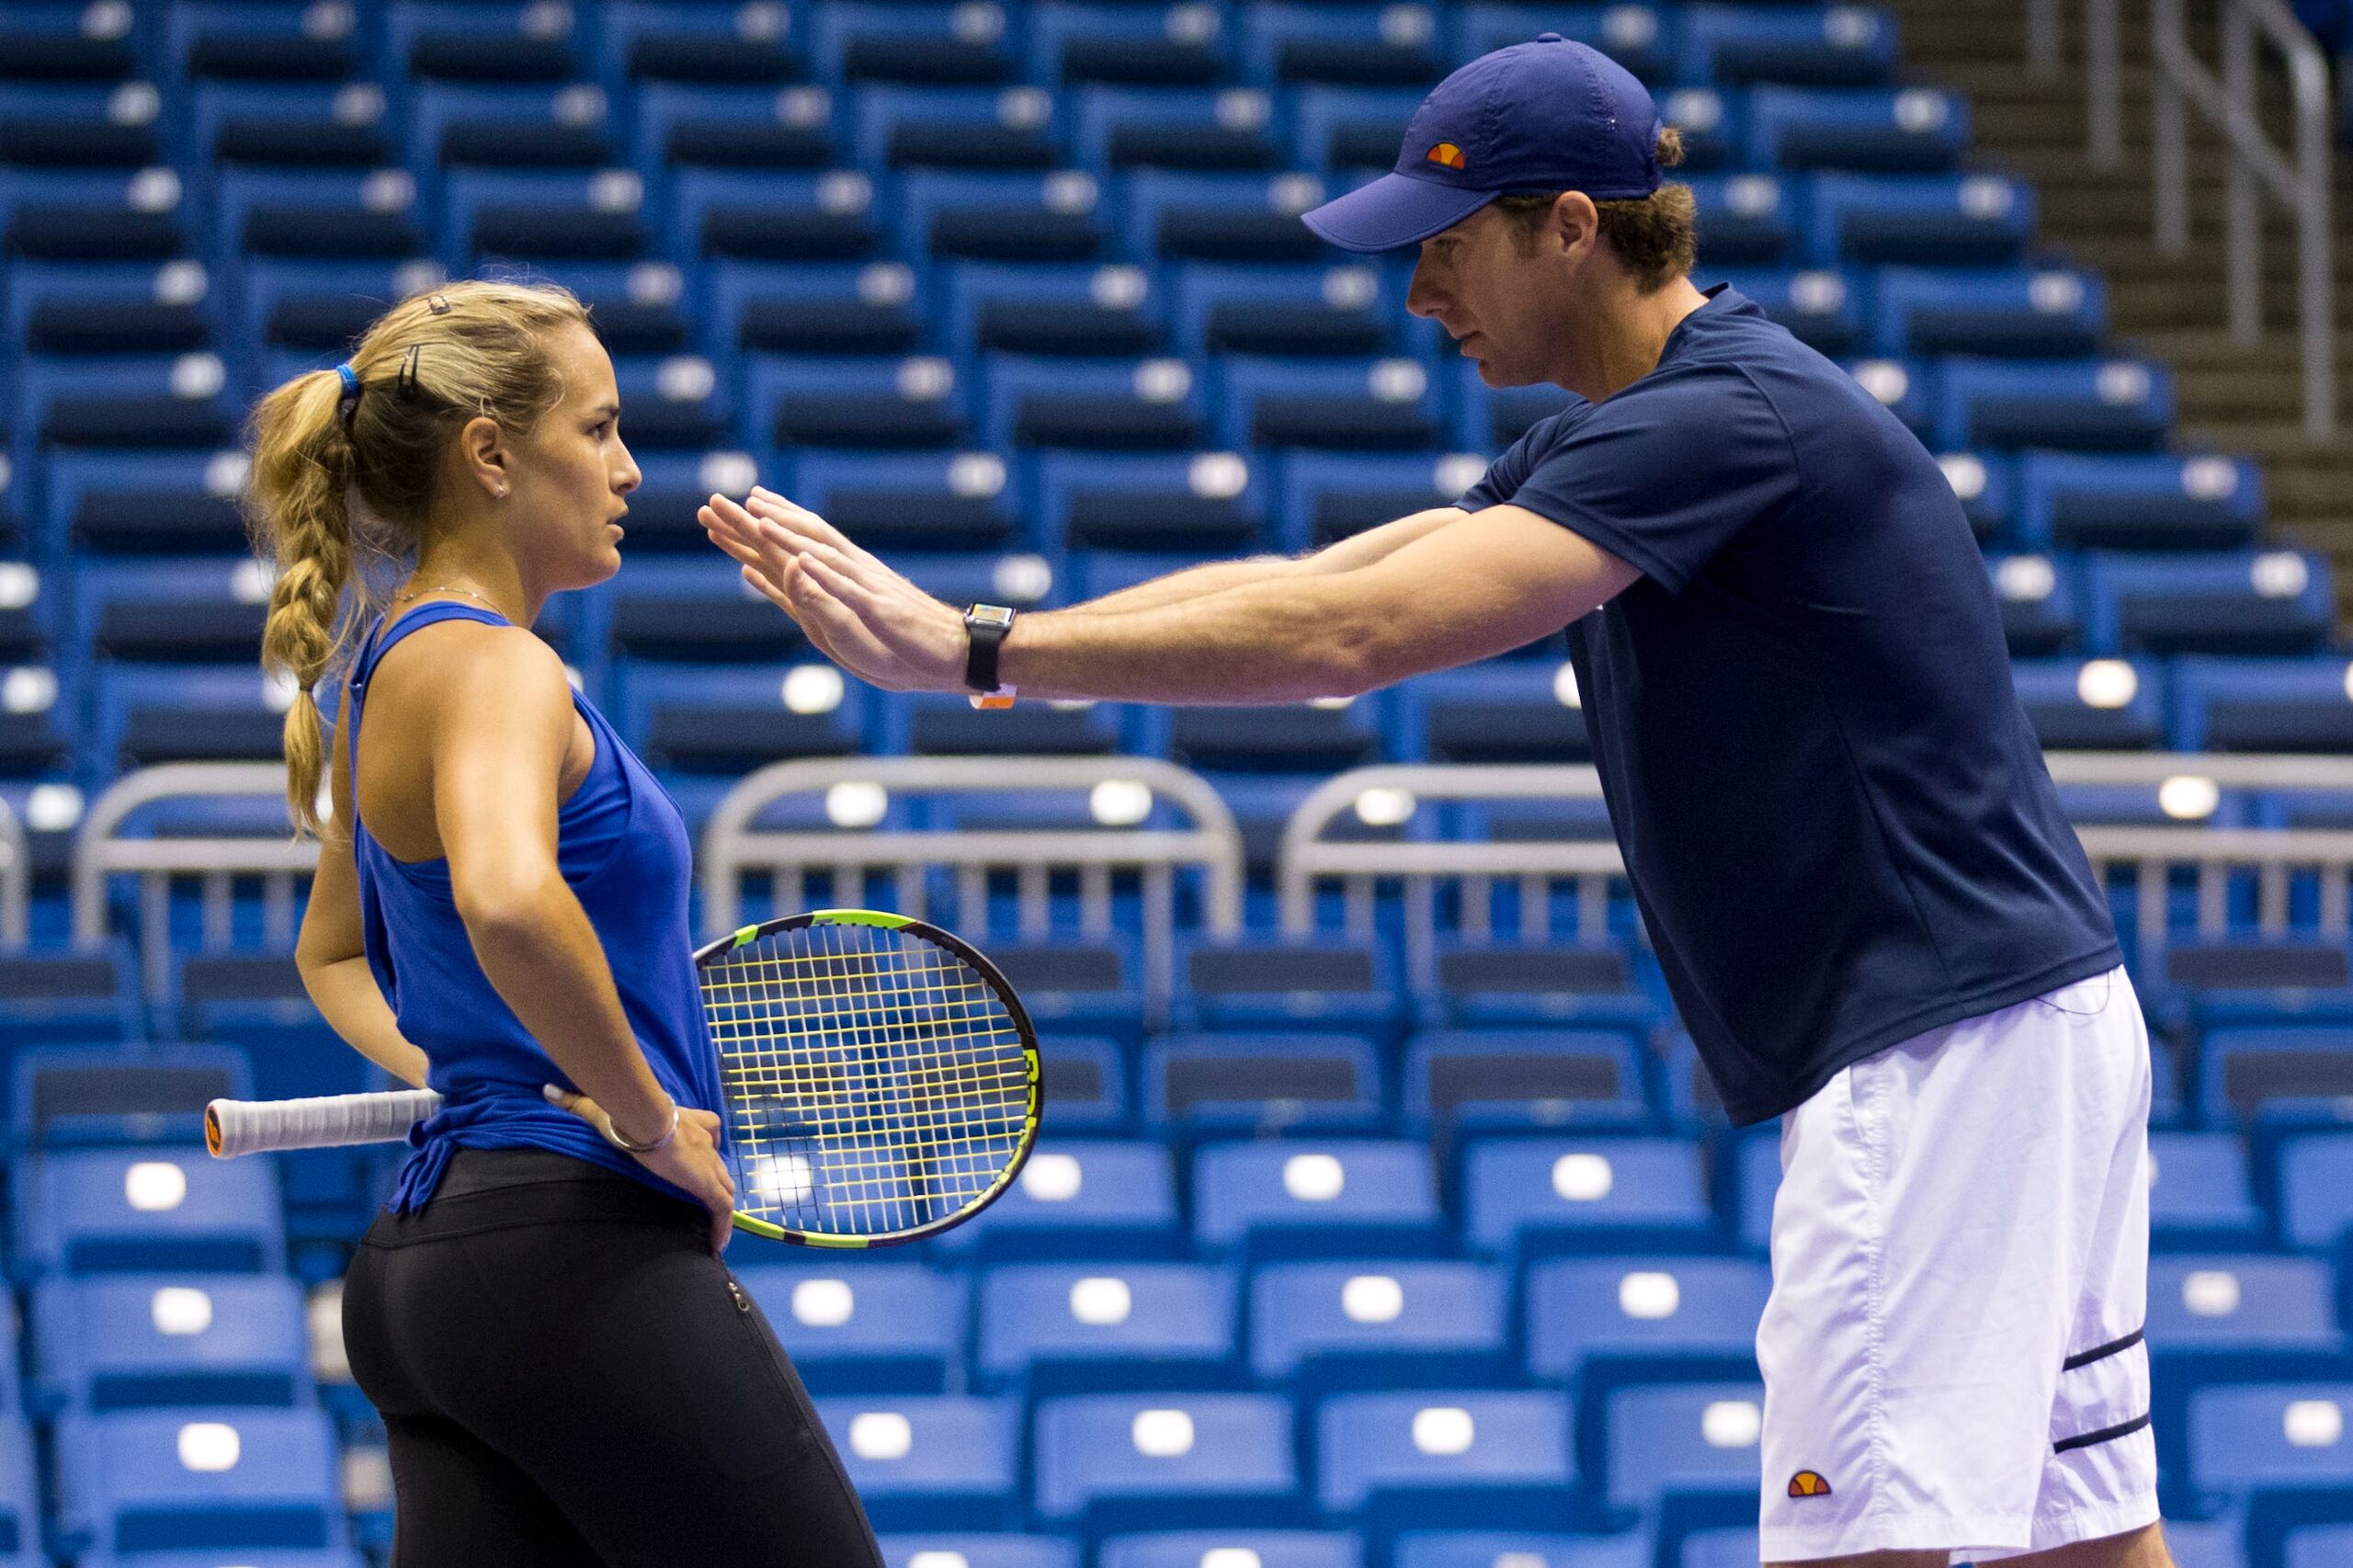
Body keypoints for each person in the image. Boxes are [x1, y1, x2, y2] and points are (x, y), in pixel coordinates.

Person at [699, 37, 2175, 1568]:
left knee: (1855, 1548)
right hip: (2027, 1017)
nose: (1418, 295)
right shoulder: (1655, 421)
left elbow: (1355, 644)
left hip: (1934, 1037)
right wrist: (989, 635)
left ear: (1572, 227)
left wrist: (980, 658)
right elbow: (1326, 586)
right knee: (2088, 1541)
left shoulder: (1721, 420)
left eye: (1444, 246)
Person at [254, 279, 883, 1568]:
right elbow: (505, 897)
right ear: (491, 453)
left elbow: (331, 952)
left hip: (429, 1276)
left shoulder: (382, 672)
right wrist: (647, 1117)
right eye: (597, 430)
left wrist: (488, 1078)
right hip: (567, 1259)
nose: (628, 467)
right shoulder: (494, 664)